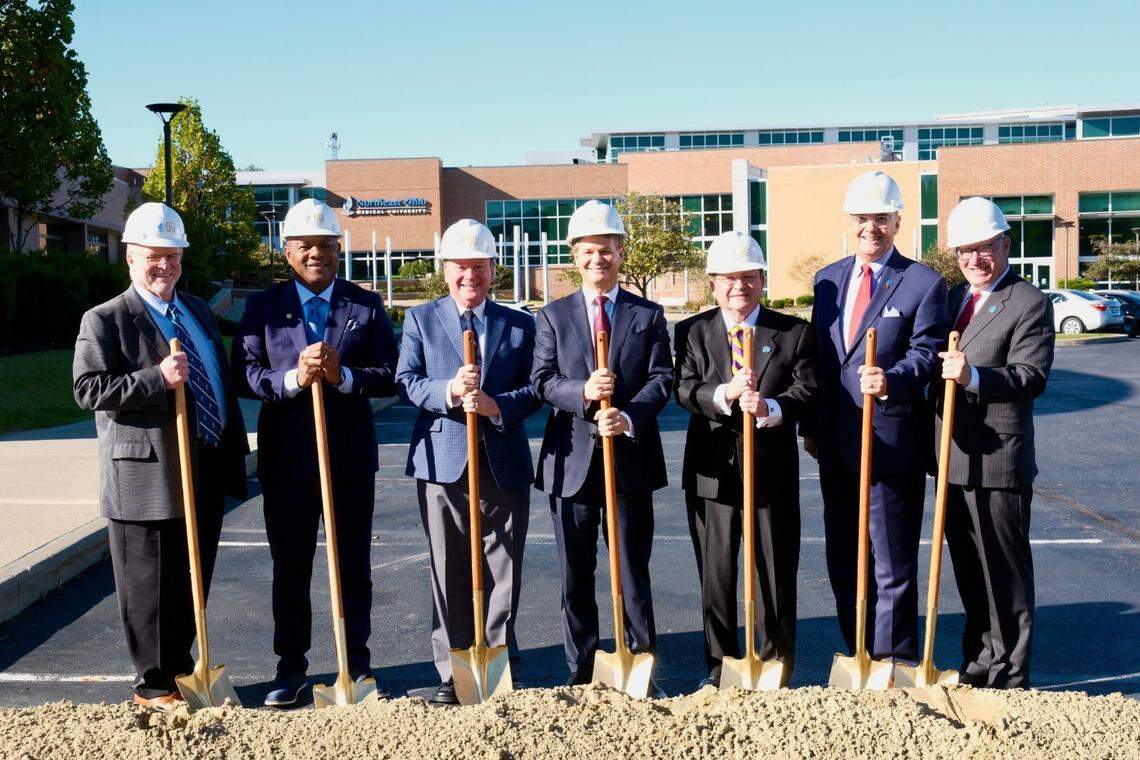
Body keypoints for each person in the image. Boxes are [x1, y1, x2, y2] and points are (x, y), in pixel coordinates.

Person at [73, 202, 248, 710]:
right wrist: (157, 379)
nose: (165, 266)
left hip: (205, 462)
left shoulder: (195, 310)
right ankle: (152, 685)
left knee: (192, 576)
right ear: (130, 257)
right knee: (148, 583)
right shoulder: (105, 318)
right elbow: (88, 388)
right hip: (145, 472)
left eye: (173, 257)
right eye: (154, 256)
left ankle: (179, 669)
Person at [232, 198, 398, 707]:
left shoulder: (364, 305)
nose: (316, 254)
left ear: (338, 249)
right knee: (292, 568)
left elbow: (391, 370)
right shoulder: (263, 308)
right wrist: (292, 379)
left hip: (348, 461)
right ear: (287, 251)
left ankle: (356, 663)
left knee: (352, 565)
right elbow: (243, 374)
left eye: (326, 246)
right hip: (287, 462)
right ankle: (291, 668)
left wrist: (342, 376)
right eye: (305, 245)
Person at [530, 200, 672, 698]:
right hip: (571, 465)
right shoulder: (552, 316)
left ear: (620, 252)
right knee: (576, 573)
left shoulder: (647, 315)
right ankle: (581, 667)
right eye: (590, 251)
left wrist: (627, 415)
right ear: (576, 255)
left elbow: (662, 379)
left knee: (632, 569)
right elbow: (543, 381)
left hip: (629, 462)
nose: (599, 260)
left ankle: (638, 659)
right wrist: (584, 394)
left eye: (607, 251)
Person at [396, 219, 541, 705]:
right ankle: (453, 666)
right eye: (460, 266)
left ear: (492, 269)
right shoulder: (420, 319)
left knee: (504, 567)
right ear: (445, 270)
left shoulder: (520, 324)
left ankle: (498, 660)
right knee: (447, 567)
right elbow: (407, 381)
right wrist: (449, 391)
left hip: (502, 461)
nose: (469, 276)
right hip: (442, 463)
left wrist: (497, 405)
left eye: (479, 266)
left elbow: (535, 386)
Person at [808, 171, 948, 663]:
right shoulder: (827, 279)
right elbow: (821, 363)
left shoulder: (924, 282)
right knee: (845, 560)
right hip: (835, 444)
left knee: (891, 559)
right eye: (863, 218)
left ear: (897, 221)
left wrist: (892, 377)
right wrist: (811, 429)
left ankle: (895, 658)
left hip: (888, 443)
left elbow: (928, 352)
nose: (871, 227)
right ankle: (859, 652)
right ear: (850, 221)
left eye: (881, 218)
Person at [674, 231, 817, 688]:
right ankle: (719, 669)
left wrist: (771, 408)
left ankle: (774, 665)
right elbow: (681, 388)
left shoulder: (793, 331)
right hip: (712, 473)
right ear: (713, 283)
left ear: (762, 280)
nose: (740, 287)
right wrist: (722, 394)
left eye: (749, 277)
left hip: (772, 473)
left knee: (774, 573)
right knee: (717, 575)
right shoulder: (692, 332)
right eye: (729, 279)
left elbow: (807, 390)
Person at [937, 197, 1054, 688]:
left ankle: (1009, 674)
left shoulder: (1028, 301)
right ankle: (981, 661)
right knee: (969, 572)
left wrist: (975, 376)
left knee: (1003, 573)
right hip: (952, 458)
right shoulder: (952, 298)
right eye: (965, 251)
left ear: (1006, 243)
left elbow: (1031, 376)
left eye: (984, 248)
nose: (974, 260)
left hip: (999, 461)